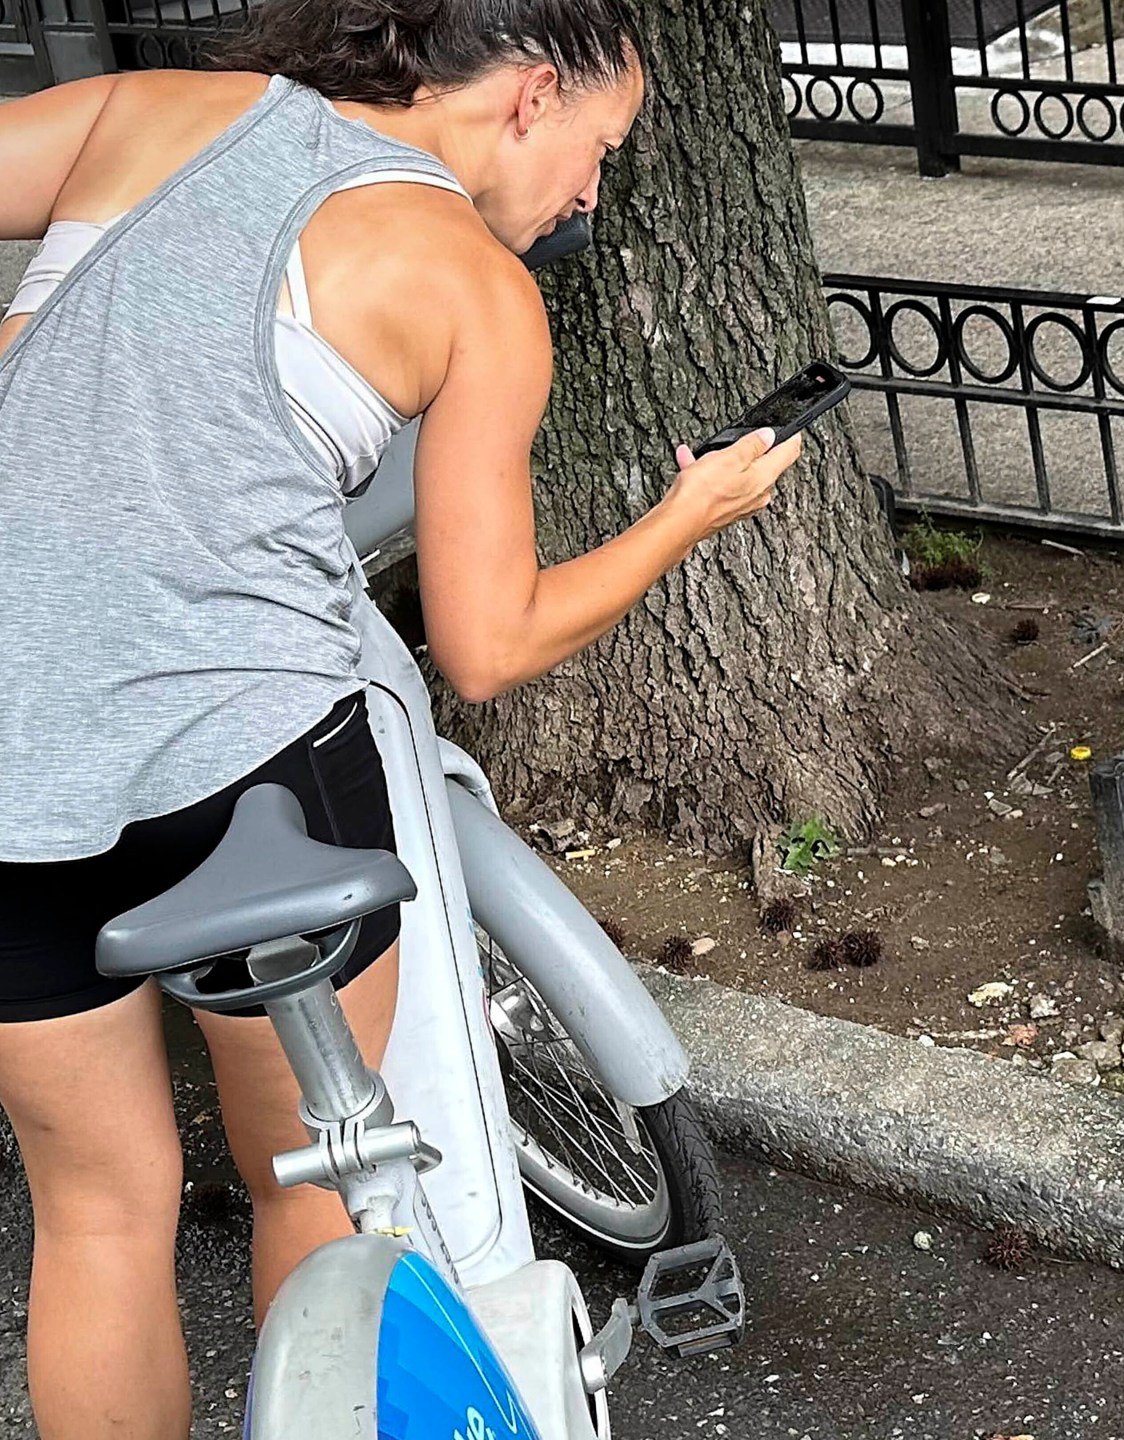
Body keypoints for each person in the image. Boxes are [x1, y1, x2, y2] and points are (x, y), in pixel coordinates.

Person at [0, 2, 805, 1434]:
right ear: (531, 92)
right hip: (242, 771)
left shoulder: (149, 111)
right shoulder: (476, 289)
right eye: (597, 150)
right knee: (310, 1179)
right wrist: (689, 517)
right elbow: (488, 648)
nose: (588, 194)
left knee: (99, 1219)